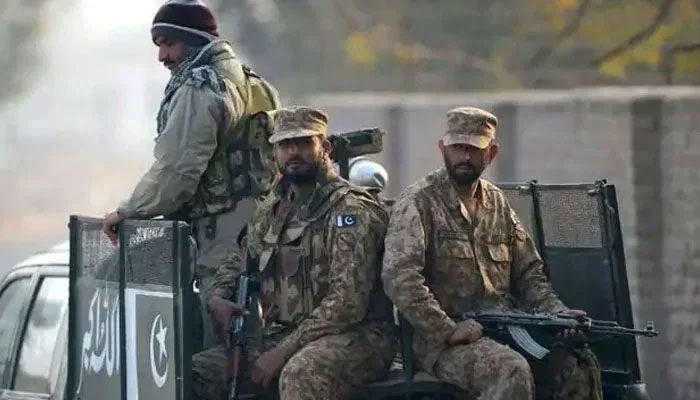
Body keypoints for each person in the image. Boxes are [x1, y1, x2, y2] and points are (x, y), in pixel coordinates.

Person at [382, 107, 603, 400]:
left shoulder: (497, 203)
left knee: (579, 364)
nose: (464, 157)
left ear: (491, 153)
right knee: (509, 370)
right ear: (442, 148)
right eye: (457, 148)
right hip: (441, 343)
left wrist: (557, 314)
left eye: (474, 149)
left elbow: (529, 274)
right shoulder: (419, 202)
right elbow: (400, 278)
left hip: (506, 328)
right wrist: (447, 329)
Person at [100, 0, 279, 347]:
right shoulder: (249, 81)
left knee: (225, 336)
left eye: (169, 44)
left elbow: (177, 171)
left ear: (195, 40)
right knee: (248, 323)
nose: (162, 57)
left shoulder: (201, 86)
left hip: (222, 230)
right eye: (159, 45)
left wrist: (127, 211)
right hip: (255, 221)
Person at [193, 106, 396, 399]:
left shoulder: (350, 211)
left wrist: (281, 352)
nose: (293, 153)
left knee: (301, 374)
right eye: (285, 145)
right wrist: (218, 297)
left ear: (324, 147)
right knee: (197, 373)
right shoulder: (272, 209)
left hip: (359, 336)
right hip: (286, 334)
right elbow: (240, 257)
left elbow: (346, 304)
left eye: (303, 143)